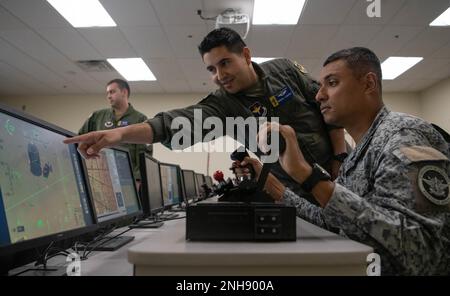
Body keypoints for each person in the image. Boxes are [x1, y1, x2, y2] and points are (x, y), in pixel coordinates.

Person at [65, 28, 346, 205]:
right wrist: (119, 134)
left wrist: (339, 158)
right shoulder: (223, 107)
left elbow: (327, 107)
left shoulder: (284, 70)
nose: (219, 76)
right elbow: (172, 124)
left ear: (245, 55)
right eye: (211, 69)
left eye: (225, 63)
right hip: (296, 194)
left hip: (341, 172)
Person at [245, 47, 450, 275]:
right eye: (321, 85)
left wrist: (307, 174)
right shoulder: (359, 151)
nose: (319, 95)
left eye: (332, 83)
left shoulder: (403, 136)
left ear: (368, 84)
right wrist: (276, 187)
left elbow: (424, 255)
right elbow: (333, 221)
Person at [78, 78, 151, 179]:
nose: (108, 96)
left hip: (128, 178)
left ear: (124, 92)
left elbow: (144, 155)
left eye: (112, 92)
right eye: (107, 93)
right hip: (100, 176)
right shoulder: (97, 116)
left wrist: (138, 179)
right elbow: (81, 138)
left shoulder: (140, 119)